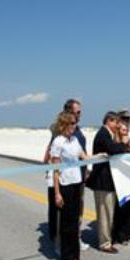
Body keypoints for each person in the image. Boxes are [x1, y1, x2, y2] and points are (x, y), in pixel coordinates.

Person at [43, 99, 89, 251]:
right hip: (63, 178)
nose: (80, 114)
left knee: (77, 211)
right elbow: (50, 152)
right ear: (69, 112)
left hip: (78, 176)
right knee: (62, 213)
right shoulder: (60, 132)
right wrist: (49, 170)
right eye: (78, 112)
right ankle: (59, 241)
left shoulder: (76, 132)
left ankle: (75, 238)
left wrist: (88, 167)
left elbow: (82, 153)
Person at [50, 112, 93, 260]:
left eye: (75, 123)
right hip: (65, 185)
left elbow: (84, 156)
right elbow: (55, 170)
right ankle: (67, 257)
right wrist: (57, 193)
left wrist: (102, 156)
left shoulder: (74, 140)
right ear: (65, 124)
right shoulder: (58, 142)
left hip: (76, 183)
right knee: (67, 223)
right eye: (73, 123)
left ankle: (75, 254)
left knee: (75, 222)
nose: (75, 126)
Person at [86, 112, 128, 253]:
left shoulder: (108, 134)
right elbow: (113, 149)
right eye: (116, 122)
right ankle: (104, 243)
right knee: (105, 212)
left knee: (109, 212)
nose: (117, 125)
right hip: (102, 181)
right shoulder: (103, 134)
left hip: (108, 180)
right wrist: (123, 143)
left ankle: (107, 238)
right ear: (109, 121)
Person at [112, 121, 130, 245]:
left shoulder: (128, 144)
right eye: (123, 130)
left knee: (129, 207)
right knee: (120, 208)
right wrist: (123, 143)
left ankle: (128, 233)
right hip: (119, 179)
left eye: (127, 129)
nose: (125, 131)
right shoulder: (117, 143)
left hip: (128, 178)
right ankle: (119, 235)